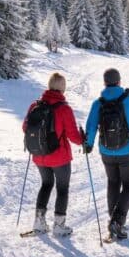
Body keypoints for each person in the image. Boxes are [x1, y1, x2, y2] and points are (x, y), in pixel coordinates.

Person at [84, 68, 129, 241]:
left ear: (104, 83)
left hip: (106, 151)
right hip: (128, 151)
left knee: (113, 183)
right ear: (119, 81)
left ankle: (113, 219)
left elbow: (91, 127)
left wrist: (88, 144)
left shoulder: (98, 103)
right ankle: (117, 221)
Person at [22, 72, 83, 236]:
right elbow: (73, 136)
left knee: (46, 184)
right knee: (62, 188)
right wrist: (83, 140)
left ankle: (39, 222)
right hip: (59, 157)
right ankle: (59, 225)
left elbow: (25, 128)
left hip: (39, 156)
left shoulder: (35, 105)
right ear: (63, 88)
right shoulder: (64, 108)